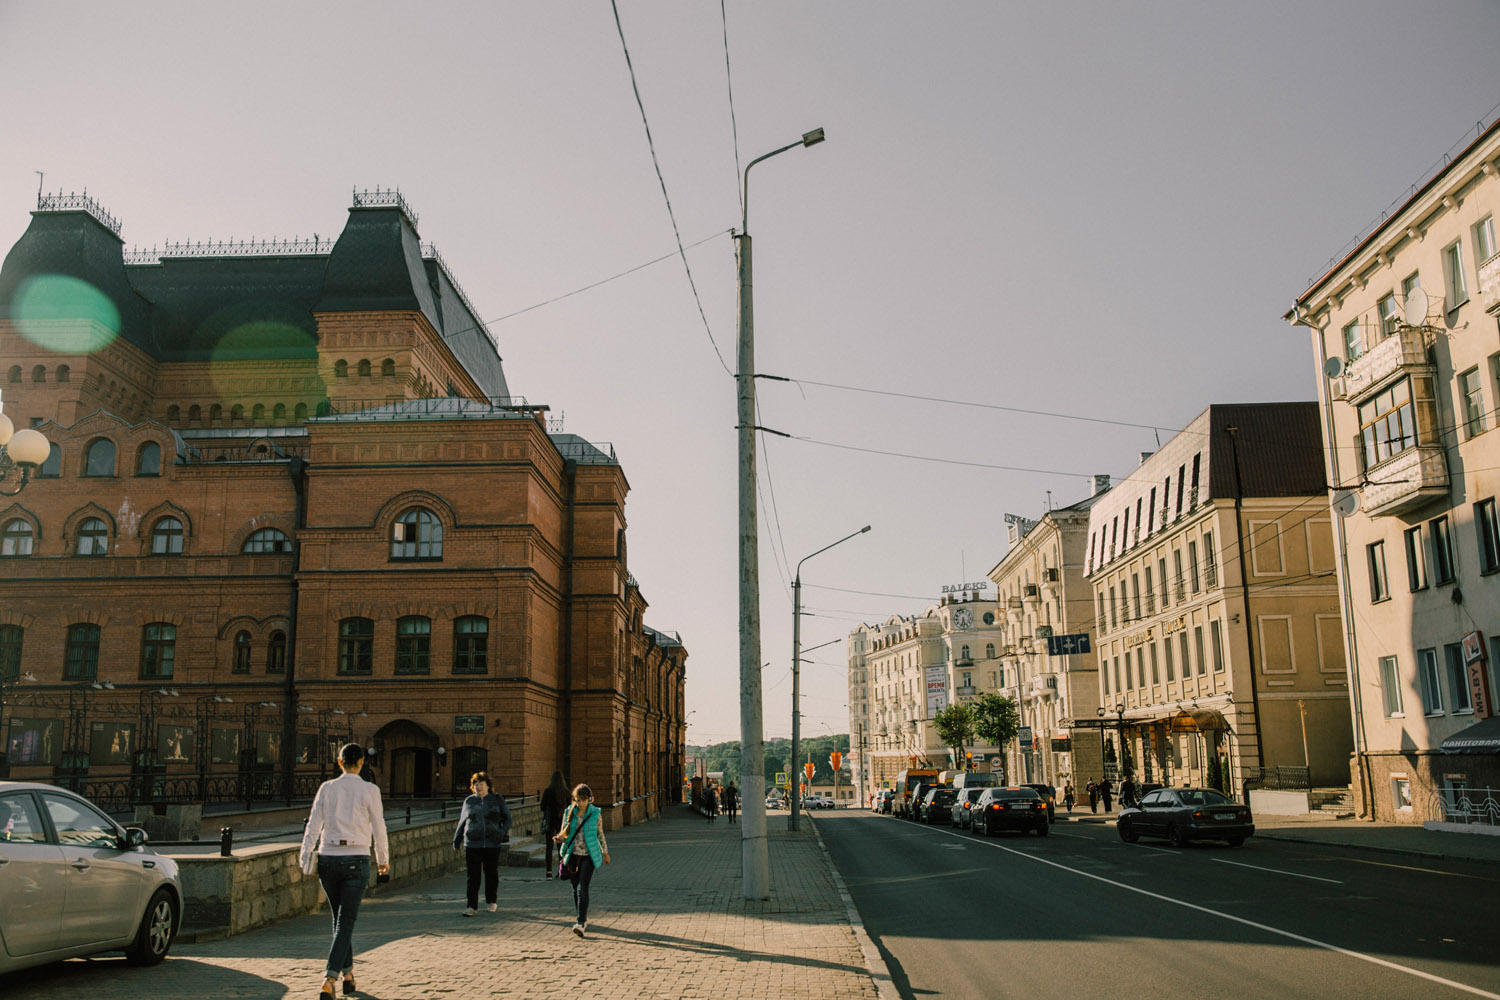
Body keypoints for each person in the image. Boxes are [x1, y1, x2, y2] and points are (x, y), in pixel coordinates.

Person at [300, 743, 390, 1000]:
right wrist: (383, 860)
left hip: (328, 858)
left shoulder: (327, 788)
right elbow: (379, 827)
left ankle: (348, 975)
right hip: (357, 858)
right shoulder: (370, 790)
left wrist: (305, 855)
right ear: (362, 762)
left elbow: (313, 825)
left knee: (339, 919)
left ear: (339, 762)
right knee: (346, 920)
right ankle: (330, 978)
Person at [553, 783, 610, 937]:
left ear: (589, 799)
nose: (580, 803)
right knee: (575, 888)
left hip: (588, 856)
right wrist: (559, 838)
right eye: (577, 800)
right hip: (572, 855)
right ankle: (582, 917)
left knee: (582, 887)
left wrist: (605, 852)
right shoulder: (569, 812)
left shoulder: (595, 813)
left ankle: (580, 921)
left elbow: (600, 834)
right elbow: (564, 832)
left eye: (583, 800)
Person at [452, 771, 510, 916]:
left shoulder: (496, 800)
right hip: (472, 843)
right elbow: (462, 821)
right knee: (473, 876)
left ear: (488, 786)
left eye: (481, 784)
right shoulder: (469, 801)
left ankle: (491, 901)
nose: (478, 787)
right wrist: (456, 840)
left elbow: (508, 819)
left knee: (491, 874)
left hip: (492, 843)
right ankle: (472, 906)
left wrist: (501, 833)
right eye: (476, 785)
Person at [540, 769, 569, 880]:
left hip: (550, 822)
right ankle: (562, 871)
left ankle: (548, 872)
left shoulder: (548, 791)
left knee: (549, 847)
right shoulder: (566, 792)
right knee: (561, 847)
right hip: (561, 823)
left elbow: (542, 807)